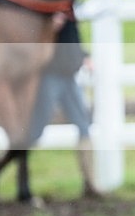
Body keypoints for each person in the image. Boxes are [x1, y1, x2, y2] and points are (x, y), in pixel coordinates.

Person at [28, 11, 99, 197]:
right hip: (50, 75)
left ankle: (90, 183)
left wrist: (83, 55)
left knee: (84, 126)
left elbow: (71, 36)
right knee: (34, 129)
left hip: (68, 76)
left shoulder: (67, 4)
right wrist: (50, 28)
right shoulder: (50, 2)